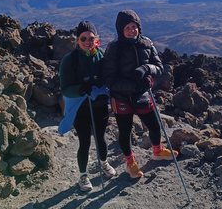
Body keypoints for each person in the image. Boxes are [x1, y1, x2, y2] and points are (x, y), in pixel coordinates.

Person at [103, 10, 178, 178]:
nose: (132, 31)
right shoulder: (114, 48)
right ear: (120, 29)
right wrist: (133, 85)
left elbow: (159, 67)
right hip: (121, 98)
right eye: (127, 27)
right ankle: (130, 163)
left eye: (134, 26)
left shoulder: (147, 44)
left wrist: (147, 70)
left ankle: (157, 152)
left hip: (143, 94)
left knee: (154, 125)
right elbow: (108, 79)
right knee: (125, 131)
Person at [59, 20, 116, 192]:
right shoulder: (69, 61)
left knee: (101, 138)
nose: (87, 42)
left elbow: (109, 76)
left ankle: (104, 163)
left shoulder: (101, 56)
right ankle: (83, 175)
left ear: (96, 39)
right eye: (83, 38)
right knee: (84, 142)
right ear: (77, 39)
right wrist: (80, 89)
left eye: (91, 38)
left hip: (99, 107)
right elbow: (65, 89)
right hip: (80, 109)